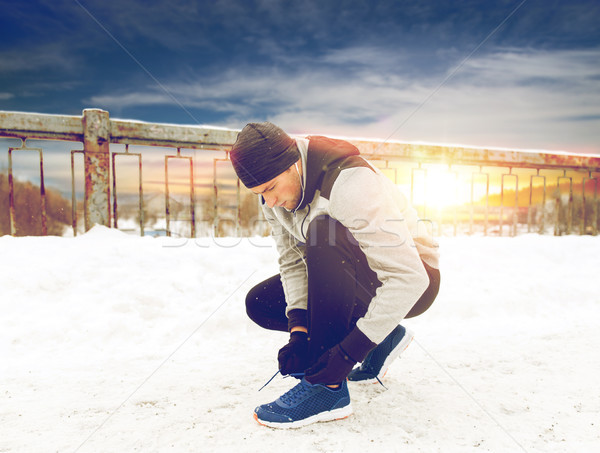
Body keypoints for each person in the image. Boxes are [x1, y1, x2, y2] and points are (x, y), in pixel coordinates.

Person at [230, 122, 440, 429]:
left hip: (414, 276)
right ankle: (380, 336)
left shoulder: (350, 183)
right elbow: (292, 262)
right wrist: (299, 333)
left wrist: (344, 356)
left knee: (323, 232)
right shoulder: (271, 197)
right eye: (259, 194)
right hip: (354, 276)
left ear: (294, 164)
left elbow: (409, 277)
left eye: (271, 188)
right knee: (260, 303)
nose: (269, 202)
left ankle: (327, 390)